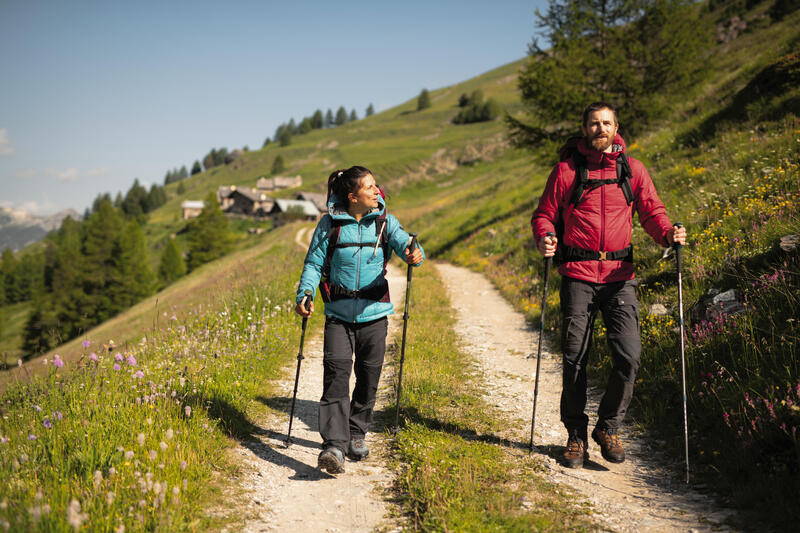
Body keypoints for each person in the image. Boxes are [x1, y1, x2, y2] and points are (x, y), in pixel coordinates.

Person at [531, 102, 686, 468]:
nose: (600, 129)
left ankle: (608, 426)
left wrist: (668, 235)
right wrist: (546, 237)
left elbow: (652, 212)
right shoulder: (567, 171)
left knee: (629, 356)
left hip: (620, 278)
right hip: (577, 277)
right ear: (584, 129)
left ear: (616, 128)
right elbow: (545, 214)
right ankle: (575, 436)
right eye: (594, 124)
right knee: (574, 359)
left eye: (606, 123)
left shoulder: (633, 170)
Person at [295, 165, 424, 474]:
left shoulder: (385, 222)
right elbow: (314, 262)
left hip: (374, 315)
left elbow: (408, 244)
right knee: (336, 376)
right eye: (369, 187)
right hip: (338, 316)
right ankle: (334, 446)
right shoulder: (329, 225)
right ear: (352, 197)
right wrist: (305, 292)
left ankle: (357, 433)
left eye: (376, 185)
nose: (376, 191)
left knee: (369, 377)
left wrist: (414, 252)